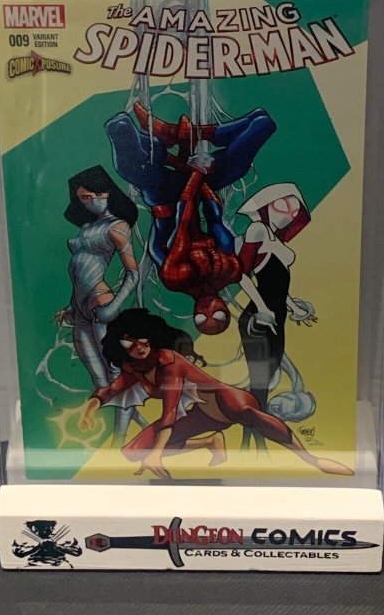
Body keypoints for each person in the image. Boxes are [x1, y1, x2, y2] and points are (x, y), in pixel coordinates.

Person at [79, 309, 353, 479]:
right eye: (128, 342)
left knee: (246, 414)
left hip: (225, 400)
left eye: (142, 338)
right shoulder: (134, 367)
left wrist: (157, 454)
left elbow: (170, 411)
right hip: (201, 416)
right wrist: (89, 411)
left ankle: (312, 460)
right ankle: (210, 442)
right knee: (132, 453)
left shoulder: (168, 360)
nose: (138, 347)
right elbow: (110, 390)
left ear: (151, 335)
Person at [105, 103, 276, 334]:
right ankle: (189, 133)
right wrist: (201, 173)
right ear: (225, 308)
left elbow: (182, 223)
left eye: (202, 318)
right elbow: (215, 217)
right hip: (199, 187)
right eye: (217, 315)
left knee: (121, 131)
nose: (208, 309)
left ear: (194, 314)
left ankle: (163, 143)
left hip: (164, 197)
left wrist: (192, 171)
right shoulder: (230, 271)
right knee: (263, 124)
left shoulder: (176, 279)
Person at [53, 165, 146, 445]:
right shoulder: (86, 227)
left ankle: (119, 441)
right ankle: (141, 426)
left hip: (100, 303)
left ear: (105, 193)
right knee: (100, 381)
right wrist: (70, 308)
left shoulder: (117, 226)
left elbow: (133, 273)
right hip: (80, 308)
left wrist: (114, 306)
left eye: (90, 196)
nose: (87, 202)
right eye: (82, 198)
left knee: (117, 377)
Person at [236, 184, 317, 450]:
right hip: (259, 319)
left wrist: (293, 306)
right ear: (265, 205)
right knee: (260, 386)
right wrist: (262, 308)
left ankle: (252, 443)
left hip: (276, 316)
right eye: (282, 205)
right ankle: (253, 445)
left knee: (265, 384)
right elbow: (242, 274)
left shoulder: (276, 239)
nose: (288, 214)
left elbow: (277, 284)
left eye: (294, 210)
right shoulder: (257, 230)